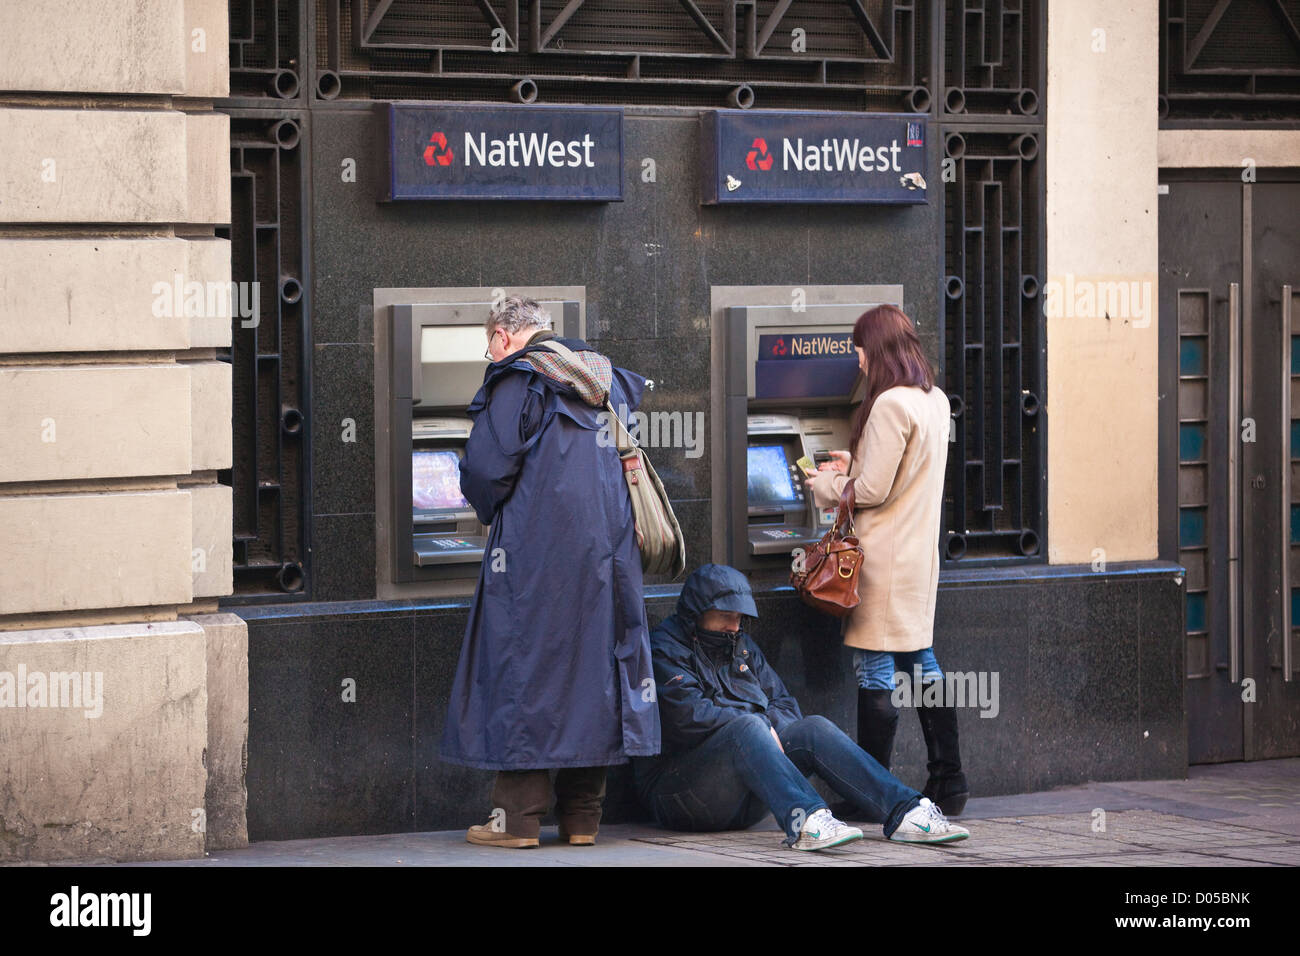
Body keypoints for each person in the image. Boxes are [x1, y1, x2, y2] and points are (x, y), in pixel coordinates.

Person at [440, 296, 660, 847]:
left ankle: (518, 821)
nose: (488, 354)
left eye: (488, 343)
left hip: (536, 558)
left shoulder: (519, 380)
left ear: (506, 337)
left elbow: (486, 470)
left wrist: (482, 505)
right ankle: (583, 819)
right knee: (596, 670)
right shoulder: (604, 380)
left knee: (526, 669)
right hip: (608, 557)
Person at [633, 563, 969, 850]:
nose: (734, 627)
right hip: (681, 796)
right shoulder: (664, 648)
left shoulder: (741, 646)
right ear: (696, 614)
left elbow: (783, 703)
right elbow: (686, 716)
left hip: (747, 790)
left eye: (738, 618)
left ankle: (906, 813)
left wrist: (768, 730)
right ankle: (807, 819)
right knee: (749, 727)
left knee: (813, 727)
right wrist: (760, 727)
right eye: (725, 617)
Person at [804, 304, 969, 816]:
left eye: (858, 351)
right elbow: (908, 471)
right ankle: (949, 779)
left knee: (874, 667)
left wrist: (826, 484)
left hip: (882, 559)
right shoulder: (934, 400)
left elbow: (873, 490)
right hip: (918, 557)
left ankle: (869, 791)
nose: (857, 362)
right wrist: (855, 461)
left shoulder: (889, 404)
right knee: (921, 659)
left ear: (876, 350)